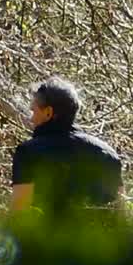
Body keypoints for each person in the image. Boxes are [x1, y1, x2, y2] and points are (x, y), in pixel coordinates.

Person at [11, 77, 122, 216]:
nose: (31, 118)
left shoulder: (28, 152)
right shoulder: (108, 154)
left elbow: (20, 214)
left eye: (33, 111)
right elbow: (120, 213)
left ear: (48, 112)